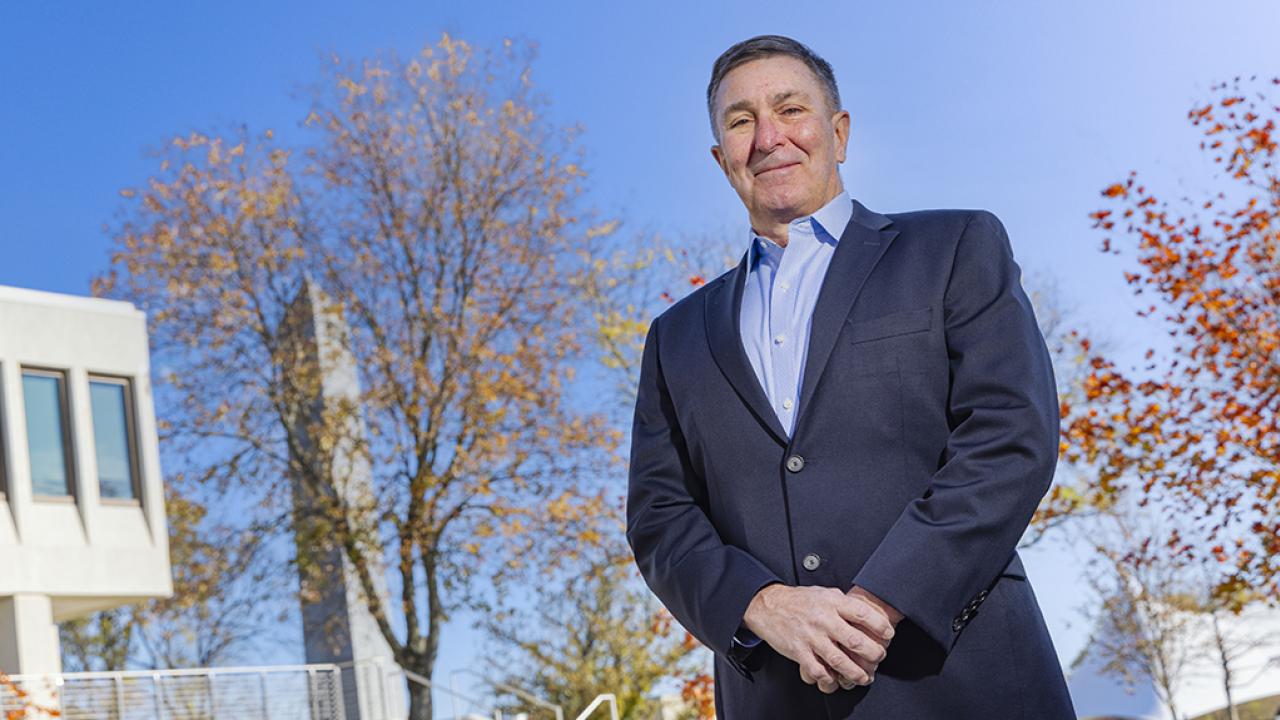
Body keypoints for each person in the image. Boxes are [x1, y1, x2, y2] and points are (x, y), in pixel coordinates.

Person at [626, 35, 1077, 718]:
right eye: (742, 121)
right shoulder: (674, 337)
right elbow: (660, 516)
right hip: (776, 697)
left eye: (790, 109)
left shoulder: (954, 247)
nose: (769, 137)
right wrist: (761, 606)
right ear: (722, 159)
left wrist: (877, 604)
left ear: (838, 133)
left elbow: (1010, 436)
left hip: (965, 683)